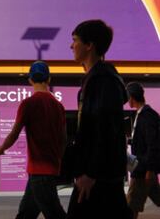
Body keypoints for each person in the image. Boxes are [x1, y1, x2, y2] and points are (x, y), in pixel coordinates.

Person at [67, 19, 132, 219]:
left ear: (89, 45)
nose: (71, 46)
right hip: (99, 175)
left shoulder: (103, 81)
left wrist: (90, 173)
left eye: (75, 40)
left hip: (98, 177)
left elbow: (105, 129)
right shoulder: (96, 79)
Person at [0, 60, 67, 219]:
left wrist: (1, 148)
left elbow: (15, 132)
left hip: (39, 171)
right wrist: (58, 160)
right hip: (47, 170)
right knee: (26, 213)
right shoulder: (58, 106)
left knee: (55, 214)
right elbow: (63, 139)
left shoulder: (28, 104)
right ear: (49, 79)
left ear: (30, 80)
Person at [125, 82, 160, 219]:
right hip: (143, 168)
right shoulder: (142, 114)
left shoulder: (147, 116)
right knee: (156, 197)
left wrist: (150, 170)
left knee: (131, 206)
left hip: (142, 169)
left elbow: (154, 144)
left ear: (132, 97)